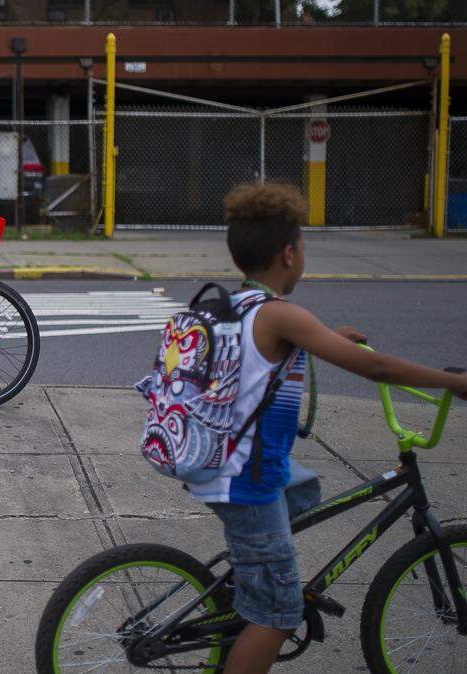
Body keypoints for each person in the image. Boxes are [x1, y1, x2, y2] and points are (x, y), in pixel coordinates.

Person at [196, 182, 467, 674]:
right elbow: (379, 369)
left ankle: (249, 584)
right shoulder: (280, 314)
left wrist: (323, 339)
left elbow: (263, 358)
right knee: (280, 615)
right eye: (302, 245)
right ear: (288, 253)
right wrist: (454, 384)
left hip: (224, 461)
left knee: (303, 490)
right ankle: (262, 605)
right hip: (246, 481)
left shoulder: (238, 305)